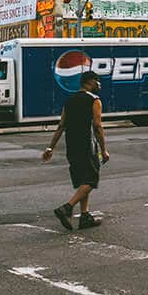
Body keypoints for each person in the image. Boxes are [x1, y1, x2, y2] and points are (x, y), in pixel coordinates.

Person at [42, 71, 109, 231]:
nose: (99, 85)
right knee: (91, 179)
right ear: (90, 82)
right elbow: (97, 127)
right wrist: (104, 150)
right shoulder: (95, 100)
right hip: (87, 145)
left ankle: (85, 216)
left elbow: (61, 125)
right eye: (97, 81)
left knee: (83, 180)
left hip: (71, 146)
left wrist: (50, 147)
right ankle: (67, 208)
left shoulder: (69, 100)